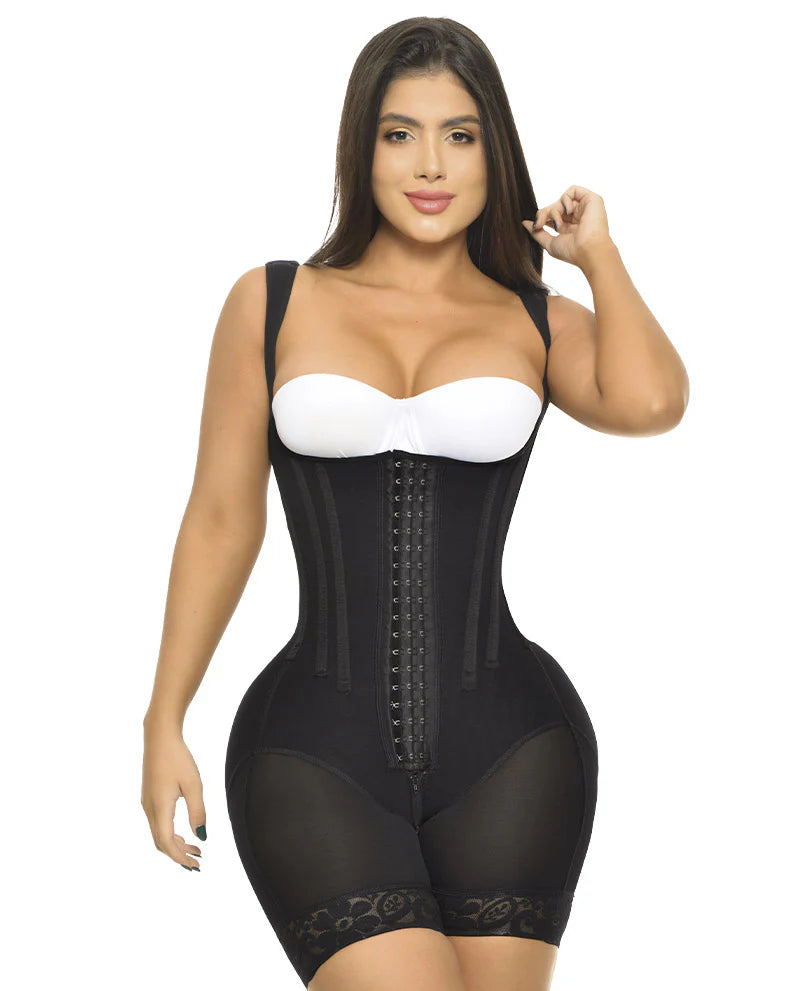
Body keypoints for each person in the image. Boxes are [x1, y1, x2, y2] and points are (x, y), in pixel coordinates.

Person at [141, 16, 689, 991]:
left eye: (459, 135)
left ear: (493, 154)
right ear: (361, 149)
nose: (429, 164)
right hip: (313, 749)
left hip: (513, 749)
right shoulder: (272, 301)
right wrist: (163, 714)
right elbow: (222, 517)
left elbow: (651, 403)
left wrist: (597, 256)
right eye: (400, 134)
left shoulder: (535, 319)